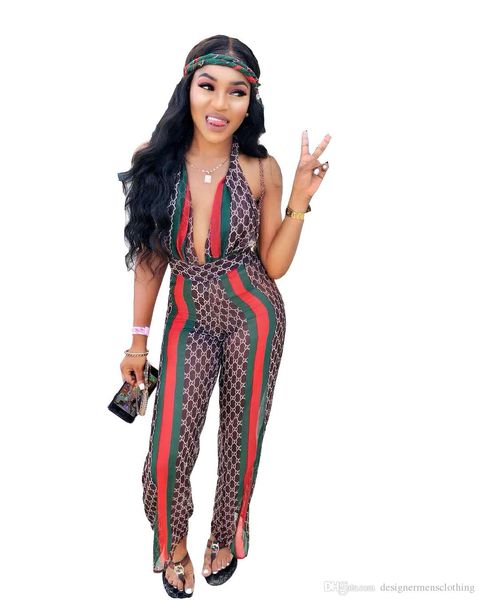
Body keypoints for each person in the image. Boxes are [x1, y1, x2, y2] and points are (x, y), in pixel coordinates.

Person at [118, 35, 331, 598]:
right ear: (187, 88)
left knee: (241, 439)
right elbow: (149, 261)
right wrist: (138, 343)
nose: (220, 104)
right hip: (187, 317)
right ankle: (173, 543)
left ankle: (225, 533)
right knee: (168, 450)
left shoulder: (262, 168)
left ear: (250, 101)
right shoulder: (154, 161)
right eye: (208, 86)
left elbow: (274, 265)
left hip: (254, 314)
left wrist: (299, 200)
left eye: (237, 92)